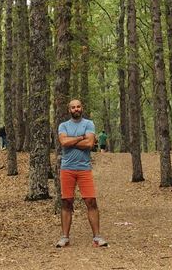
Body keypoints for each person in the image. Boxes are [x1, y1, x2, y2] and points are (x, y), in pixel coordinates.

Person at [55, 99, 108, 249]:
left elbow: (90, 144)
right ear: (69, 110)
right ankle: (65, 237)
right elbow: (63, 143)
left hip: (84, 168)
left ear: (81, 108)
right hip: (67, 168)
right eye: (73, 107)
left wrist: (71, 140)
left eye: (78, 106)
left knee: (91, 201)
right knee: (66, 202)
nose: (76, 109)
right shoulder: (63, 125)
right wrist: (80, 138)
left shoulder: (89, 124)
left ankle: (97, 237)